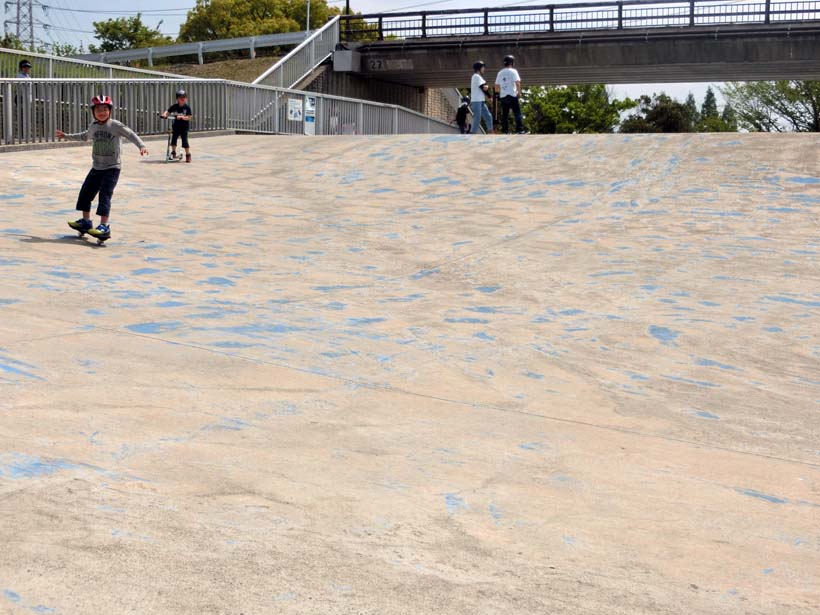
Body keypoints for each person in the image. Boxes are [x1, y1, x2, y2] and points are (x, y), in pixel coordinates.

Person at [55, 94, 148, 240]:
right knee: (85, 193)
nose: (102, 112)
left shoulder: (115, 125)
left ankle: (104, 226)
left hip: (112, 168)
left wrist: (141, 146)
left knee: (105, 195)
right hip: (97, 167)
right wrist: (66, 135)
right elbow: (84, 136)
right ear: (93, 112)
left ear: (110, 110)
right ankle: (86, 222)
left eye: (105, 109)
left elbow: (130, 134)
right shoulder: (93, 126)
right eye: (98, 109)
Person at [495, 55, 527, 134]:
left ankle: (505, 131)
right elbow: (517, 83)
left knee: (505, 115)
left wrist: (497, 94)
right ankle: (520, 130)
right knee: (517, 113)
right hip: (512, 95)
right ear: (512, 63)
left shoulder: (500, 73)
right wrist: (519, 92)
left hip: (503, 96)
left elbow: (496, 85)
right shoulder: (513, 71)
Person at [161, 89, 193, 162]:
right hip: (176, 126)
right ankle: (173, 152)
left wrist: (182, 117)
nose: (182, 99)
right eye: (181, 98)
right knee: (173, 139)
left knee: (184, 141)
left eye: (184, 98)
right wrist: (165, 114)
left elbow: (189, 117)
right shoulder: (175, 106)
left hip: (184, 127)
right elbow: (168, 111)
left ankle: (188, 155)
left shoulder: (187, 107)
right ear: (177, 99)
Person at [470, 61, 493, 134]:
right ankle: (473, 133)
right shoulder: (476, 76)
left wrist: (486, 87)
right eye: (483, 67)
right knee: (477, 118)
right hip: (476, 101)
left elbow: (485, 86)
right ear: (479, 68)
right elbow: (483, 87)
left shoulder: (479, 77)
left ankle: (490, 131)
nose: (484, 69)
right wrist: (489, 96)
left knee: (488, 116)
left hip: (481, 101)